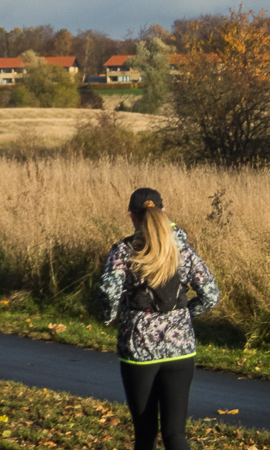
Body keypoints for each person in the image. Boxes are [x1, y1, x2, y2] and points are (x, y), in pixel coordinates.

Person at [97, 188, 219, 450]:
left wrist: (111, 316)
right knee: (175, 434)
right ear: (164, 212)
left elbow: (109, 290)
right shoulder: (183, 250)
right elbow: (210, 294)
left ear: (132, 215)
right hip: (180, 349)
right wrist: (185, 315)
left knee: (145, 433)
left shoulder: (123, 251)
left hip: (138, 348)